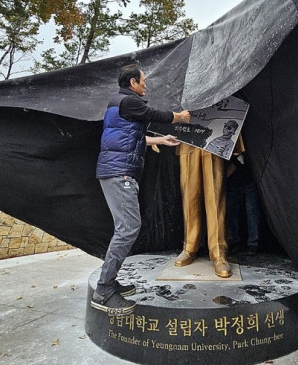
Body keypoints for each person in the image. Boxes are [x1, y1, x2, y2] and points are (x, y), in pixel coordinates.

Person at [92, 64, 190, 315]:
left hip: (115, 172)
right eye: (143, 81)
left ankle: (110, 282)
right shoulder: (129, 101)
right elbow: (155, 114)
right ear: (133, 82)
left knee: (125, 228)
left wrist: (161, 140)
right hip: (120, 173)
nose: (146, 85)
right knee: (128, 229)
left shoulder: (118, 104)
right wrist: (179, 117)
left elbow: (134, 137)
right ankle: (104, 290)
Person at [174, 138, 243, 278]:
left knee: (215, 196)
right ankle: (190, 246)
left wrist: (237, 138)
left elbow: (230, 114)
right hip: (186, 136)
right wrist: (158, 128)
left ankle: (219, 250)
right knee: (189, 195)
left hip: (214, 139)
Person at [226, 145, 261, 254]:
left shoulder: (244, 146)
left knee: (251, 212)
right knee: (232, 212)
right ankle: (237, 242)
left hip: (247, 182)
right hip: (236, 184)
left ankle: (252, 243)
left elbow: (235, 164)